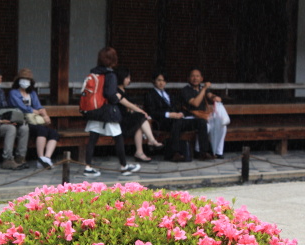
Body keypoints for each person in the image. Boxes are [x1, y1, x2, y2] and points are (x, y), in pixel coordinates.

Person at [82, 47, 141, 177]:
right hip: (106, 111)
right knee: (118, 137)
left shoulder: (94, 73)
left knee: (92, 138)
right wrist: (117, 97)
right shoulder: (110, 75)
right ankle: (124, 166)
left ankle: (88, 166)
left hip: (94, 109)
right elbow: (109, 94)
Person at [143, 72, 211, 162]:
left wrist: (181, 114)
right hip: (162, 122)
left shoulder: (169, 94)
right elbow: (152, 112)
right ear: (154, 81)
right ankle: (175, 153)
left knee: (201, 122)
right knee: (177, 123)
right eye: (159, 80)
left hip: (176, 120)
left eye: (163, 81)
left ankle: (203, 152)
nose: (161, 83)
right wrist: (169, 114)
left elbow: (177, 107)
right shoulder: (150, 95)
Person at [8, 68, 59, 168]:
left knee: (54, 133)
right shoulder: (13, 93)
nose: (25, 81)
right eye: (23, 79)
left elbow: (38, 106)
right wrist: (34, 111)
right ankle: (40, 158)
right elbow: (21, 107)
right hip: (22, 121)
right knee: (42, 130)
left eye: (28, 79)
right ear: (18, 80)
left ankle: (46, 158)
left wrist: (45, 115)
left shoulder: (32, 93)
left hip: (34, 121)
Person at [114, 67, 163, 163]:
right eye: (127, 78)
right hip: (120, 123)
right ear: (121, 78)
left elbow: (130, 106)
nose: (129, 80)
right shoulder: (116, 91)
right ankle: (151, 140)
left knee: (139, 124)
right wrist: (141, 111)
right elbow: (127, 104)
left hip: (127, 120)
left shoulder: (124, 91)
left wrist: (136, 110)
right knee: (140, 117)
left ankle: (140, 152)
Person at [180, 68, 223, 159]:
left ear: (201, 79)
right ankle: (199, 151)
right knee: (204, 125)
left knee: (222, 124)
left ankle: (218, 152)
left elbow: (210, 95)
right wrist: (204, 88)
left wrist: (215, 97)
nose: (195, 78)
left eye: (197, 76)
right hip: (190, 118)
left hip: (203, 116)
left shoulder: (202, 89)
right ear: (188, 78)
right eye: (193, 76)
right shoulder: (185, 90)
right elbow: (195, 103)